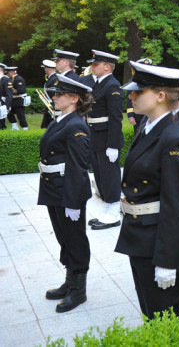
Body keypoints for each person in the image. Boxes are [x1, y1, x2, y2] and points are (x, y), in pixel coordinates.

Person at [115, 61, 179, 319]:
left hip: (158, 241)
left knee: (167, 317)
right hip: (140, 234)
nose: (132, 96)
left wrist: (167, 260)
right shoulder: (148, 127)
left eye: (139, 92)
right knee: (151, 313)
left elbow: (176, 204)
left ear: (160, 96)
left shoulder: (172, 136)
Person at [38, 74, 94, 313]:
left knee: (75, 239)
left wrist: (73, 202)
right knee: (63, 237)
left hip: (67, 193)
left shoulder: (77, 126)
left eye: (59, 94)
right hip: (54, 189)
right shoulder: (61, 119)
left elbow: (78, 167)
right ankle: (69, 282)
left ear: (74, 98)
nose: (55, 97)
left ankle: (79, 291)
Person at [85, 50, 124, 230]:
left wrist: (113, 145)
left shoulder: (112, 85)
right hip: (96, 136)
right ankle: (108, 210)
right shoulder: (100, 84)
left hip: (107, 138)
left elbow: (115, 118)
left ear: (107, 66)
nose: (92, 66)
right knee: (100, 177)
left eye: (96, 64)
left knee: (110, 176)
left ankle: (114, 212)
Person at [126, 58, 152, 134]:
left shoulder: (153, 82)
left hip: (151, 114)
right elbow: (129, 99)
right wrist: (130, 115)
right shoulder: (133, 82)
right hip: (138, 115)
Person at [41, 59, 58, 129]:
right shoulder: (51, 78)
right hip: (49, 106)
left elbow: (55, 94)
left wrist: (53, 107)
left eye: (45, 68)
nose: (44, 70)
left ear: (47, 68)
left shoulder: (54, 78)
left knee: (47, 127)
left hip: (52, 106)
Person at [0, 63, 13, 129]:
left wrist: (7, 107)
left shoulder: (5, 79)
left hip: (2, 104)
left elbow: (9, 94)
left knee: (1, 124)